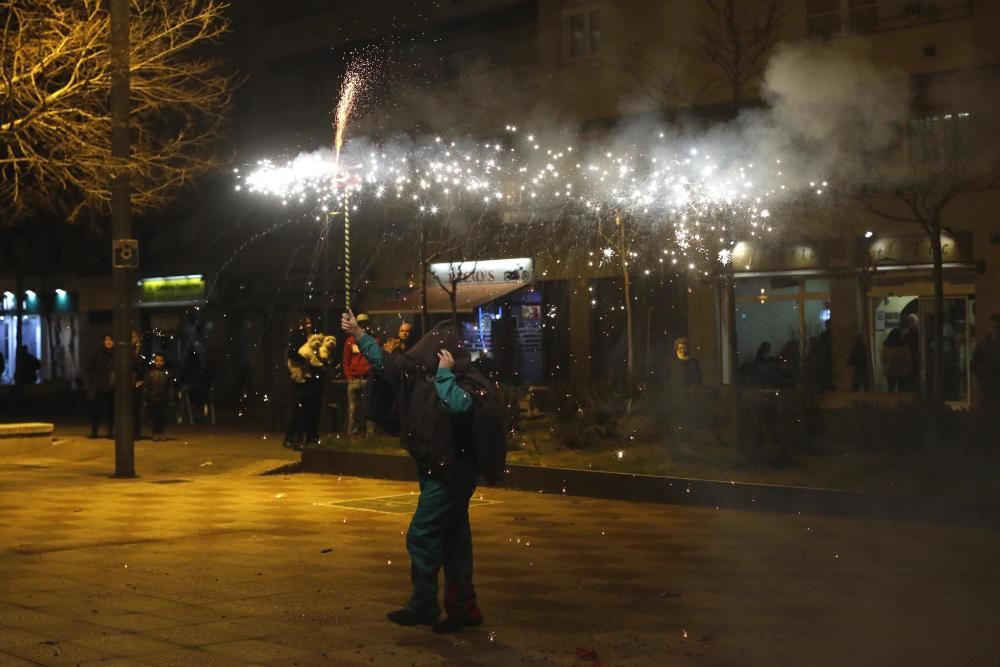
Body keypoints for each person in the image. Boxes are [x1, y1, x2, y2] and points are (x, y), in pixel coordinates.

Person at [341, 309, 503, 633]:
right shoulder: (421, 374)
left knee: (422, 533)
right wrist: (359, 334)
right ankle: (464, 608)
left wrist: (444, 374)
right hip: (437, 469)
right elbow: (388, 364)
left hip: (452, 473)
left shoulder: (466, 380)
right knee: (455, 539)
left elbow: (458, 405)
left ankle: (425, 605)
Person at [343, 312, 374, 436]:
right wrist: (349, 377)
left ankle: (370, 435)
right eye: (361, 324)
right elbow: (346, 361)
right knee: (352, 409)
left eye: (365, 324)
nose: (363, 326)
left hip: (368, 379)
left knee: (369, 408)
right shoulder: (350, 341)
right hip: (355, 379)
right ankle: (352, 433)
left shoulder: (373, 340)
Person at [970, 313, 1000, 439]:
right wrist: (983, 377)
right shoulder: (984, 345)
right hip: (989, 389)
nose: (996, 330)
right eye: (993, 327)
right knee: (988, 418)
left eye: (998, 327)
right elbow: (974, 365)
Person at [86, 334, 115, 439]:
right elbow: (89, 368)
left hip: (112, 387)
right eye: (107, 339)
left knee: (111, 411)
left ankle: (110, 432)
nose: (109, 342)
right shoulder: (98, 353)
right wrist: (96, 379)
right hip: (99, 387)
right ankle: (94, 432)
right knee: (97, 410)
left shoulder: (117, 354)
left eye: (111, 339)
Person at [144, 354, 172, 441]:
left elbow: (169, 386)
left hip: (163, 398)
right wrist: (146, 397)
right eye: (157, 360)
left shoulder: (167, 373)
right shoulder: (150, 373)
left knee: (162, 416)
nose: (159, 363)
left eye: (161, 361)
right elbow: (147, 386)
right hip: (153, 398)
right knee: (155, 416)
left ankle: (161, 432)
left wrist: (170, 397)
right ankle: (155, 433)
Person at [881, 327, 911, 392]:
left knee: (891, 388)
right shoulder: (904, 345)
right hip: (902, 369)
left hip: (890, 368)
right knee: (901, 389)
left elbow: (883, 358)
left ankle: (890, 401)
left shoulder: (886, 345)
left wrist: (887, 364)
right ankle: (901, 401)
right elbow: (908, 359)